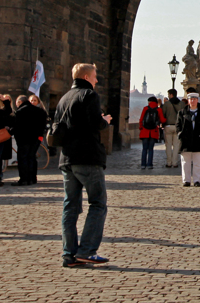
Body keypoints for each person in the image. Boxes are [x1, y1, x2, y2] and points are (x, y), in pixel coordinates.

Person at [54, 63, 113, 267]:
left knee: (70, 206)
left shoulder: (64, 98)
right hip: (87, 157)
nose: (97, 80)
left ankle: (68, 254)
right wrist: (104, 120)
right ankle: (87, 250)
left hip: (67, 158)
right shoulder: (89, 95)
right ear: (87, 77)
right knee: (98, 203)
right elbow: (94, 124)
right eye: (95, 77)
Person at [177, 92, 200, 187]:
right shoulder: (182, 112)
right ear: (188, 101)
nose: (192, 101)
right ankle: (186, 180)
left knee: (197, 163)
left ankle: (197, 180)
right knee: (185, 163)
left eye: (194, 99)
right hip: (185, 140)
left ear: (197, 100)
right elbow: (178, 125)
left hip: (199, 139)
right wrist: (179, 133)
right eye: (191, 99)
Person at [13, 94, 48, 186]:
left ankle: (24, 179)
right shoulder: (40, 111)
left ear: (20, 102)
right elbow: (43, 126)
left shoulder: (20, 111)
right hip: (36, 139)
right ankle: (32, 178)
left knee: (23, 158)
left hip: (23, 139)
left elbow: (17, 127)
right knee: (32, 157)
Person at [137, 96, 165, 170]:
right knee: (151, 149)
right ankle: (150, 164)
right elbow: (162, 120)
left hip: (145, 132)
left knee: (144, 149)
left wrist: (141, 128)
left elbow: (141, 119)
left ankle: (143, 164)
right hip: (154, 132)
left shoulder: (145, 108)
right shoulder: (159, 109)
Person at [161, 89, 184, 168]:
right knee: (176, 145)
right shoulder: (181, 104)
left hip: (168, 126)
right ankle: (175, 163)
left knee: (168, 145)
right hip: (177, 127)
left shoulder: (167, 104)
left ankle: (169, 162)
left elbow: (163, 115)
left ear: (171, 95)